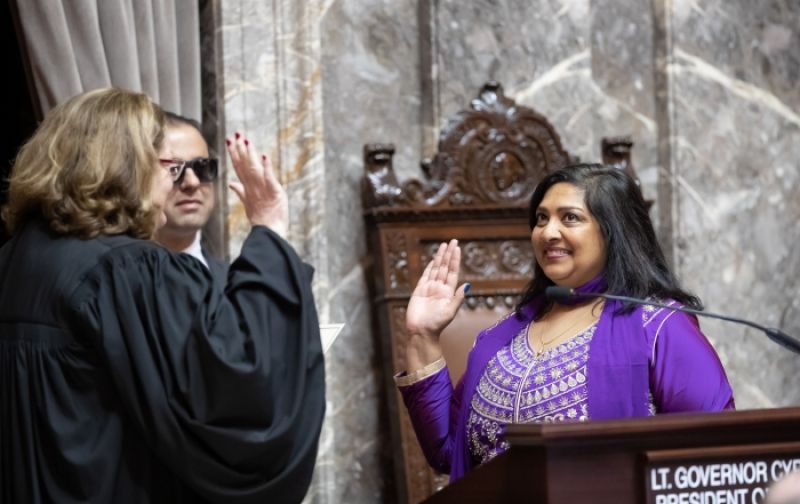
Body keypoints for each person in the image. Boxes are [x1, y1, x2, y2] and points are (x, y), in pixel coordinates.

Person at [0, 87, 325, 503]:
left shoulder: (16, 259)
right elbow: (240, 379)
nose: (177, 182)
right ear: (124, 166)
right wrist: (269, 231)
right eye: (166, 166)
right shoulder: (125, 269)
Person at [396, 163, 734, 482]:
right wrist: (423, 335)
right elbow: (447, 452)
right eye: (541, 219)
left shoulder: (660, 326)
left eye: (569, 218)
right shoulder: (499, 339)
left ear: (614, 233)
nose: (547, 233)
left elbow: (713, 459)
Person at [154, 112, 227, 284]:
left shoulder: (233, 283)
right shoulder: (118, 282)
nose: (192, 182)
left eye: (202, 167)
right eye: (174, 169)